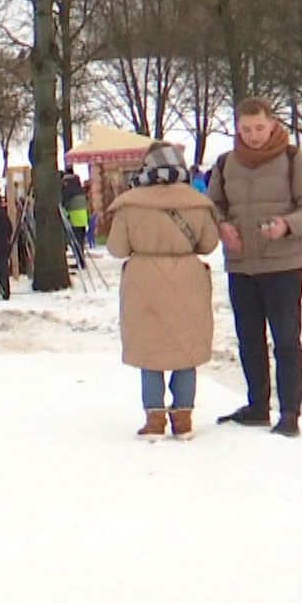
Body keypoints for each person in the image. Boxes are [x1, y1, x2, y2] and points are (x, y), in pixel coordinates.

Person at [209, 96, 302, 437]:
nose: (253, 136)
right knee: (248, 339)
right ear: (236, 128)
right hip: (242, 265)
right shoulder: (226, 163)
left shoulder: (295, 159)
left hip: (283, 263)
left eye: (259, 128)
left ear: (272, 124)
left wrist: (286, 225)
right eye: (245, 129)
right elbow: (213, 206)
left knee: (285, 339)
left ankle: (289, 413)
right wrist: (222, 225)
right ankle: (257, 406)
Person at [105, 143, 220, 441]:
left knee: (149, 350)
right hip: (188, 280)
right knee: (185, 350)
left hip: (144, 282)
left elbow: (117, 248)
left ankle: (154, 419)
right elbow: (208, 245)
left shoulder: (129, 204)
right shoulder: (198, 202)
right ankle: (183, 418)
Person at [62, 171, 90, 268]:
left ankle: (80, 262)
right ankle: (81, 262)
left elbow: (63, 204)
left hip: (74, 219)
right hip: (83, 219)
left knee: (75, 243)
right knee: (80, 242)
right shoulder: (80, 190)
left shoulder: (68, 191)